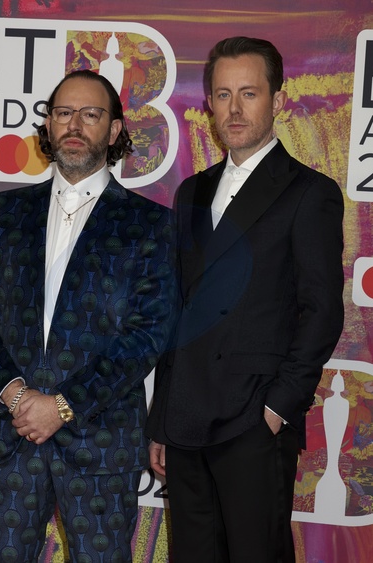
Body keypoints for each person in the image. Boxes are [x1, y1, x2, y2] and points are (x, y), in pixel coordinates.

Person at [0, 69, 176, 562]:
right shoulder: (8, 212)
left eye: (90, 114)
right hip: (10, 437)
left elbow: (147, 335)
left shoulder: (149, 223)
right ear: (49, 124)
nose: (74, 125)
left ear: (114, 130)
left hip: (101, 445)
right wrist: (16, 396)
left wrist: (61, 406)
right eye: (63, 113)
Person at [147, 36, 344, 563]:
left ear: (277, 100)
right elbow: (178, 312)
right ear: (209, 103)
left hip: (253, 420)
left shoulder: (309, 193)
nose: (234, 109)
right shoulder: (191, 191)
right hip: (185, 420)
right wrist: (161, 419)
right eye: (223, 94)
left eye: (249, 93)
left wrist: (276, 409)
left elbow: (323, 312)